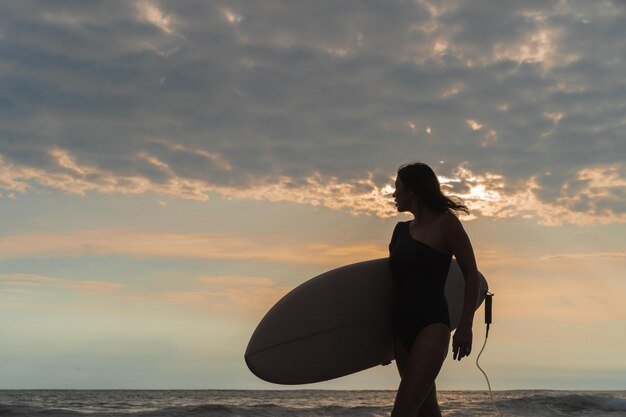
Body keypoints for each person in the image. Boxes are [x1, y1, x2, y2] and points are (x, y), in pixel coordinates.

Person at [389, 162, 479, 417]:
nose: (394, 194)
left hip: (431, 325)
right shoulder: (400, 232)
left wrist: (465, 324)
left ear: (413, 190)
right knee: (426, 410)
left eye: (398, 187)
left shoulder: (447, 225)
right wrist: (375, 347)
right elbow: (390, 286)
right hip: (399, 327)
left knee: (403, 411)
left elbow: (471, 275)